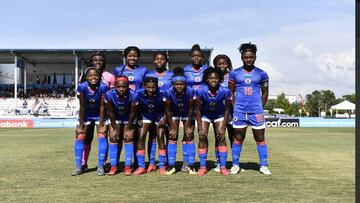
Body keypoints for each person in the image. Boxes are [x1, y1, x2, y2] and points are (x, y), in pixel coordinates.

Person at [228, 42, 271, 175]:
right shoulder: (234, 74)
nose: (248, 59)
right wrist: (235, 108)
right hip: (240, 111)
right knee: (238, 137)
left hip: (256, 112)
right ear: (241, 57)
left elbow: (265, 93)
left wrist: (260, 107)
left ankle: (263, 165)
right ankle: (235, 164)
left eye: (251, 57)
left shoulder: (262, 74)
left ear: (255, 57)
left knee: (260, 138)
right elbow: (231, 93)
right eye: (246, 57)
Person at [79, 51, 115, 172]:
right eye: (95, 60)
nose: (98, 62)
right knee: (86, 138)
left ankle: (102, 163)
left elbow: (112, 96)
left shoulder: (110, 77)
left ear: (104, 61)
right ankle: (83, 163)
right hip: (88, 113)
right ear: (91, 61)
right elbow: (81, 95)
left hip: (103, 113)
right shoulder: (84, 75)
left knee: (103, 137)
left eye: (100, 59)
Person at [113, 46, 148, 168]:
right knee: (119, 136)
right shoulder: (118, 70)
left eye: (135, 55)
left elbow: (145, 87)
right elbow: (115, 86)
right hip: (122, 106)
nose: (132, 58)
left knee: (136, 136)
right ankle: (115, 163)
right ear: (125, 56)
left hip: (138, 106)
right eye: (130, 55)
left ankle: (136, 163)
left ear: (138, 57)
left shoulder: (143, 70)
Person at [133, 77, 175, 176]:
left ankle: (162, 166)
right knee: (141, 136)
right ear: (144, 86)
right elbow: (136, 108)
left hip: (159, 115)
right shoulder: (138, 93)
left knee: (160, 137)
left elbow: (170, 108)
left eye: (154, 87)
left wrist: (165, 118)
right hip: (145, 115)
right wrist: (138, 118)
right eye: (148, 87)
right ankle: (142, 166)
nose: (151, 90)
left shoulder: (164, 93)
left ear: (157, 86)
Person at [194, 67, 232, 176]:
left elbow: (227, 109)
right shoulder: (201, 90)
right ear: (206, 79)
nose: (213, 80)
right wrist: (200, 127)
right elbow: (197, 109)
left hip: (219, 114)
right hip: (205, 114)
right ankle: (202, 167)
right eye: (211, 78)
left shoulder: (225, 91)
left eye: (216, 78)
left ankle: (223, 167)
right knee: (202, 137)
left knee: (221, 137)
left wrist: (223, 126)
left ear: (220, 79)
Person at [72, 67, 109, 176]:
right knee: (80, 136)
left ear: (99, 76)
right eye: (90, 75)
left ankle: (101, 166)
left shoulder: (103, 86)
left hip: (100, 115)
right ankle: (79, 166)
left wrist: (102, 124)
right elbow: (82, 106)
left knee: (102, 136)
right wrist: (81, 125)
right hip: (86, 115)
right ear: (86, 77)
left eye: (96, 75)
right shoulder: (82, 87)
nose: (93, 77)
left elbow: (103, 106)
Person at [163, 67, 196, 175]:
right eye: (177, 84)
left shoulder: (191, 91)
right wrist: (172, 127)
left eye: (181, 84)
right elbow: (167, 110)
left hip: (187, 113)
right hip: (174, 113)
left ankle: (189, 165)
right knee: (172, 136)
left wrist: (187, 127)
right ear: (173, 84)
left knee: (189, 136)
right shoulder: (168, 92)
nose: (179, 86)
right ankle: (171, 166)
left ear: (185, 84)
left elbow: (192, 109)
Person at [144, 51, 173, 172]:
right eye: (157, 59)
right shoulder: (149, 74)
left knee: (166, 136)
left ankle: (165, 162)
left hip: (168, 110)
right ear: (153, 60)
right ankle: (151, 162)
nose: (159, 61)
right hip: (152, 110)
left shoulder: (171, 74)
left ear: (166, 61)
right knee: (152, 136)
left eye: (162, 59)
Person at [181, 44, 208, 172]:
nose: (196, 58)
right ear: (190, 57)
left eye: (198, 56)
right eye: (194, 56)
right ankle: (187, 162)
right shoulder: (185, 71)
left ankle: (204, 163)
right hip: (189, 105)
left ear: (202, 57)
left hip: (204, 105)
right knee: (188, 132)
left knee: (203, 134)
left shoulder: (207, 69)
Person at [105, 76, 138, 176]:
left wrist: (129, 128)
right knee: (113, 138)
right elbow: (110, 112)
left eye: (124, 87)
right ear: (115, 86)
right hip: (115, 118)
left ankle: (127, 167)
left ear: (128, 86)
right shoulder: (109, 94)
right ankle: (113, 167)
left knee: (128, 138)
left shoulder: (134, 95)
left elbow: (133, 113)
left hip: (129, 118)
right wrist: (114, 128)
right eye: (119, 87)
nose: (121, 89)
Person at [212, 54, 234, 172]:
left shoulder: (232, 76)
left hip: (232, 111)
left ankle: (235, 163)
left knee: (233, 136)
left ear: (228, 64)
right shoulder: (214, 77)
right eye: (219, 64)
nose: (221, 66)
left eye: (224, 63)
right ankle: (219, 162)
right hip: (219, 112)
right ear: (215, 65)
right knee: (219, 136)